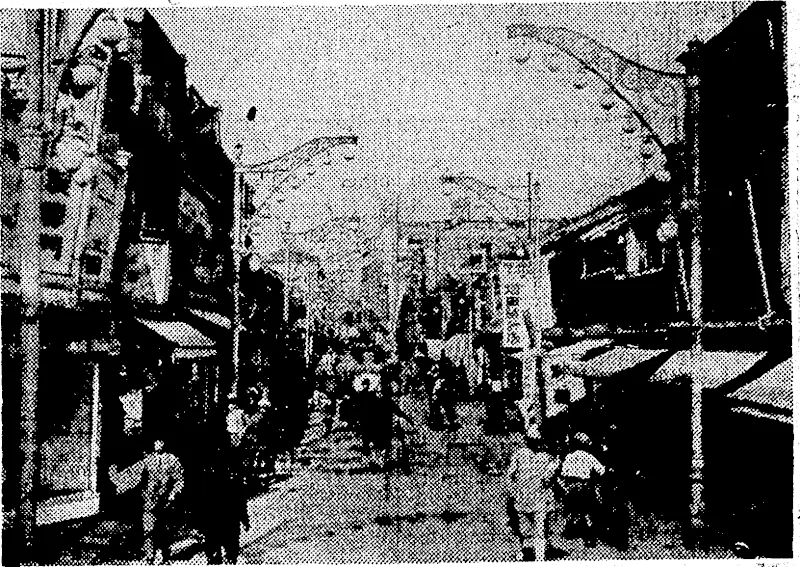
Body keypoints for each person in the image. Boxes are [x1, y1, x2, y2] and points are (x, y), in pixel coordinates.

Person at [109, 437, 185, 564]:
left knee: (163, 529)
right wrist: (116, 477)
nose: (158, 444)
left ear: (164, 443)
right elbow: (133, 474)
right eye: (155, 442)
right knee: (148, 528)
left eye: (160, 441)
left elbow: (179, 480)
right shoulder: (148, 460)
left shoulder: (172, 460)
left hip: (165, 500)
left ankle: (163, 554)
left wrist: (173, 494)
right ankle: (149, 555)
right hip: (149, 499)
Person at [505, 425, 561, 561]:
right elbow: (548, 480)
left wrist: (513, 492)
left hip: (526, 497)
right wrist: (556, 466)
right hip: (535, 498)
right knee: (536, 530)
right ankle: (537, 558)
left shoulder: (519, 454)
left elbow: (508, 476)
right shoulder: (546, 457)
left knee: (524, 529)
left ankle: (527, 555)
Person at [559, 432, 606, 547]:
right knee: (587, 513)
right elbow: (601, 471)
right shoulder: (588, 456)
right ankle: (590, 538)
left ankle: (569, 532)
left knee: (571, 511)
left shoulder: (569, 457)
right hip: (585, 488)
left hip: (571, 488)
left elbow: (563, 473)